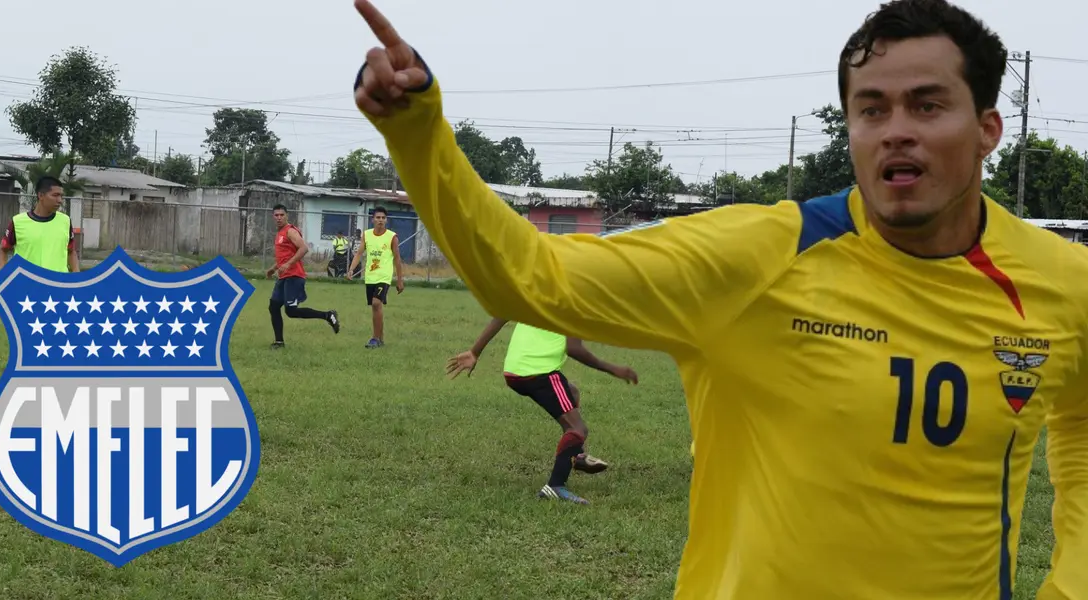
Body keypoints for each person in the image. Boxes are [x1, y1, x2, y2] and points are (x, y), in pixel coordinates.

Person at [351, 0, 1088, 598]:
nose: (896, 132)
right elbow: (530, 278)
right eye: (871, 110)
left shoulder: (1064, 283)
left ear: (989, 128)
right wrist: (419, 134)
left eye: (928, 107)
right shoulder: (757, 256)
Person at [447, 318, 638, 505]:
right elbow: (574, 349)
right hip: (538, 372)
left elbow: (502, 314)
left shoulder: (538, 293)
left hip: (514, 371)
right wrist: (613, 368)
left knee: (571, 391)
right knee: (578, 430)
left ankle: (576, 456)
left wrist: (475, 352)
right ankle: (555, 487)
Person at [266, 204, 340, 348]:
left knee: (291, 311)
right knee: (274, 307)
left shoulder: (290, 231)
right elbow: (284, 257)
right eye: (276, 215)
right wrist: (273, 268)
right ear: (273, 217)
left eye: (282, 215)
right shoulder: (279, 233)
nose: (279, 218)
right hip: (284, 277)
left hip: (294, 276)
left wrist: (288, 265)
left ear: (287, 216)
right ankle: (279, 342)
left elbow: (304, 248)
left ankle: (328, 315)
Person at [346, 206, 404, 348]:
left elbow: (397, 259)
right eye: (378, 218)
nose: (380, 220)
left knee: (376, 303)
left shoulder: (392, 237)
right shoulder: (367, 234)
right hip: (370, 277)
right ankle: (381, 339)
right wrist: (351, 269)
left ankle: (375, 338)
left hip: (384, 277)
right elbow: (359, 253)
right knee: (376, 308)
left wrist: (400, 280)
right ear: (373, 220)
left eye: (383, 218)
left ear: (386, 220)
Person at [0, 175, 79, 273]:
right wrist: (4, 273)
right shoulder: (18, 222)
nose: (60, 200)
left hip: (57, 285)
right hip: (27, 284)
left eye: (61, 196)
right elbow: (2, 250)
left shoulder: (66, 221)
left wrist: (76, 274)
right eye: (55, 195)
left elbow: (71, 251)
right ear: (41, 196)